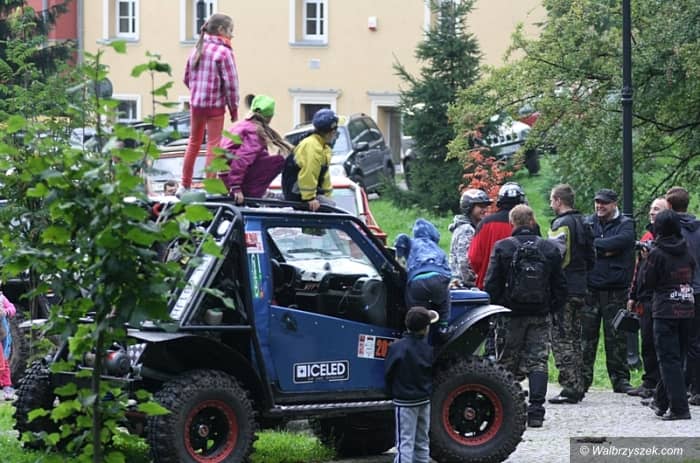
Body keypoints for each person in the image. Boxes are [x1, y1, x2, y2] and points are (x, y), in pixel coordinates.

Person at [484, 204, 567, 427]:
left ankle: (506, 410)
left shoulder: (502, 247)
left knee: (506, 362)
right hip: (540, 314)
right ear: (532, 221)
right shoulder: (549, 248)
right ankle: (536, 411)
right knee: (538, 361)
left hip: (509, 315)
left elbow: (491, 284)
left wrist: (497, 308)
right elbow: (560, 285)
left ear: (511, 223)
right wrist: (550, 307)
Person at [638, 209, 695, 420]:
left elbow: (647, 282)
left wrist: (645, 260)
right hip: (686, 307)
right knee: (677, 357)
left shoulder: (657, 254)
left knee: (668, 360)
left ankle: (679, 408)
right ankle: (661, 401)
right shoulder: (686, 250)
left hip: (665, 310)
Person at [581, 188, 635, 393]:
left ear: (614, 204)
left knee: (617, 337)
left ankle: (620, 379)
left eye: (604, 202)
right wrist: (606, 249)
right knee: (586, 337)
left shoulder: (626, 224)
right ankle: (582, 379)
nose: (599, 206)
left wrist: (597, 247)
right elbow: (584, 244)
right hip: (591, 289)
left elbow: (623, 241)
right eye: (597, 202)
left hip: (616, 290)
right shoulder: (588, 222)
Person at [180, 13, 240, 196]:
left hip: (196, 105)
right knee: (214, 145)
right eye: (230, 30)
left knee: (193, 142)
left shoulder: (197, 48)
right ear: (221, 30)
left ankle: (184, 184)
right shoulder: (224, 52)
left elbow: (186, 78)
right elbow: (231, 84)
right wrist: (234, 109)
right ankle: (209, 187)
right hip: (215, 106)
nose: (232, 35)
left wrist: (197, 92)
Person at [547, 184, 595, 405]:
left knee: (561, 338)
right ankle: (579, 383)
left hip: (564, 289)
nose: (551, 204)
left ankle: (570, 387)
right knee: (576, 338)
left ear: (558, 200)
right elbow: (592, 256)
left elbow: (555, 257)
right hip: (581, 287)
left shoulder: (560, 224)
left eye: (552, 200)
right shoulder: (585, 222)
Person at [384, 306, 439, 463]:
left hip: (404, 403)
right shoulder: (428, 350)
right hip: (424, 400)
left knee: (405, 443)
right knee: (422, 441)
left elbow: (389, 373)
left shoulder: (396, 348)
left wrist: (390, 392)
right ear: (425, 329)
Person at [626, 197, 668, 399]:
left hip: (659, 297)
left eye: (657, 209)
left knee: (659, 343)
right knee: (647, 342)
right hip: (644, 297)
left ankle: (660, 385)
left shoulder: (670, 238)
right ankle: (650, 381)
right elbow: (638, 268)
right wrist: (633, 294)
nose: (652, 212)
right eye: (651, 208)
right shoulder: (647, 236)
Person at [219, 95, 294, 204]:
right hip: (234, 180)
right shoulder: (255, 131)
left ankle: (259, 191)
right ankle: (255, 193)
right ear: (269, 117)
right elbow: (242, 159)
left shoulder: (240, 125)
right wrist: (235, 187)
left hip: (225, 177)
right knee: (279, 160)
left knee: (264, 155)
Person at [665, 186, 700, 406]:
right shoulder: (698, 228)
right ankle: (696, 388)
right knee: (696, 341)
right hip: (699, 289)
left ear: (669, 205)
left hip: (678, 290)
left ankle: (678, 388)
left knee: (675, 342)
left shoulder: (671, 230)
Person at [394, 219, 452, 342]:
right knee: (445, 298)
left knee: (417, 312)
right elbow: (447, 269)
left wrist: (399, 257)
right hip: (438, 278)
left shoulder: (412, 242)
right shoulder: (438, 249)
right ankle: (443, 326)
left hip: (417, 280)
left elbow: (401, 237)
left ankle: (414, 333)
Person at [469, 182, 528, 289]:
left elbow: (474, 258)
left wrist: (484, 272)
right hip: (523, 288)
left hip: (489, 286)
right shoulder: (529, 224)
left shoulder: (485, 224)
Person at [281, 108, 337, 211]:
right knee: (329, 207)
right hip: (297, 193)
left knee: (330, 205)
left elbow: (324, 176)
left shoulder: (323, 147)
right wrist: (310, 198)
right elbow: (308, 172)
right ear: (331, 132)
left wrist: (327, 194)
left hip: (304, 192)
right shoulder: (312, 146)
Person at [449, 188, 492, 287]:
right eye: (480, 206)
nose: (485, 210)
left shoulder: (469, 227)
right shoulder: (466, 230)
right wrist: (473, 283)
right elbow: (464, 262)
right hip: (463, 286)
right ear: (469, 207)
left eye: (485, 206)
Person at [0, 292, 16, 401]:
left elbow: (12, 309)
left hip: (1, 333)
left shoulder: (1, 298)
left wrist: (5, 312)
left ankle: (7, 388)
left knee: (3, 362)